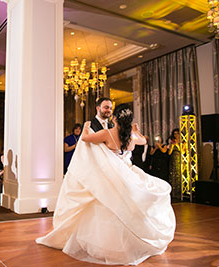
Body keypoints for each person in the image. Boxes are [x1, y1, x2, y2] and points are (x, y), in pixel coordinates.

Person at [36, 104, 175, 265]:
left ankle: (109, 244)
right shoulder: (133, 136)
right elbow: (144, 140)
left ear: (114, 118)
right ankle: (130, 242)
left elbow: (86, 138)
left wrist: (87, 127)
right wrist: (136, 131)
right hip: (129, 174)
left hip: (112, 175)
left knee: (108, 205)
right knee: (128, 206)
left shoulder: (107, 133)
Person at [168, 128, 181, 200]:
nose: (176, 135)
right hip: (173, 159)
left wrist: (177, 145)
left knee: (179, 175)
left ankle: (179, 193)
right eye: (174, 134)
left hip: (179, 159)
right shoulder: (172, 142)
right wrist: (172, 146)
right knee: (173, 175)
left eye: (177, 133)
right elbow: (169, 153)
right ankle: (173, 193)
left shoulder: (182, 142)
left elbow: (183, 151)